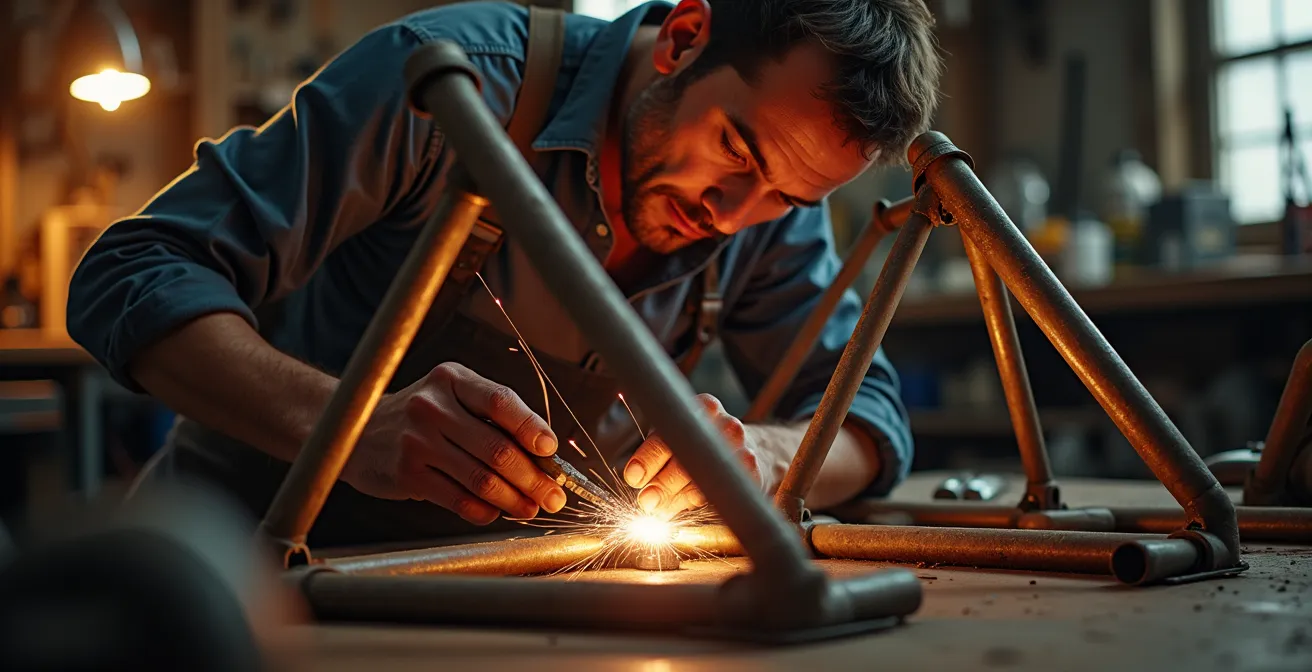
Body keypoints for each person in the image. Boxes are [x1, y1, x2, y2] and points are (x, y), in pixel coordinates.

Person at [66, 0, 942, 547]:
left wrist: (763, 456)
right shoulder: (453, 84)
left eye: (786, 196)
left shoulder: (770, 208)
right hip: (242, 571)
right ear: (683, 38)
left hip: (490, 609)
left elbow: (869, 419)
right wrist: (353, 431)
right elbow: (131, 271)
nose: (734, 212)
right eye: (734, 150)